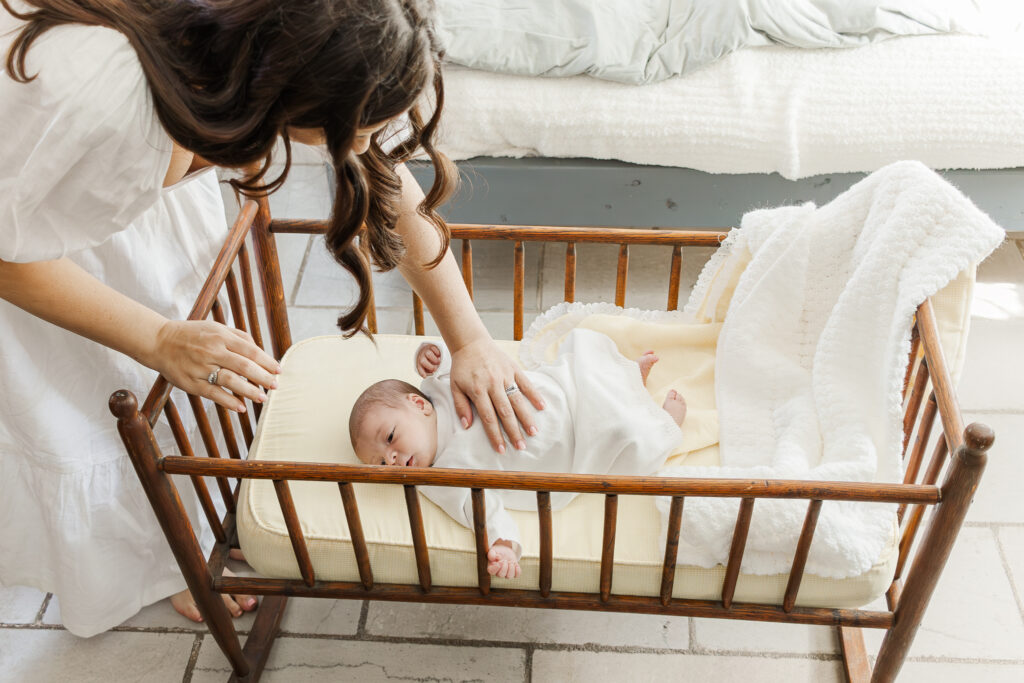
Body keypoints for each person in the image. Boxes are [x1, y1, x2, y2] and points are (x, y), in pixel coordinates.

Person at [0, 0, 542, 637]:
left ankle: (181, 536)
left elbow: (385, 181)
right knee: (97, 396)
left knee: (184, 381)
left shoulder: (289, 39)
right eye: (357, 128)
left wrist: (470, 337)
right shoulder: (99, 96)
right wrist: (157, 338)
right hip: (34, 232)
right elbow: (9, 253)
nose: (365, 146)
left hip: (126, 188)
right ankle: (150, 562)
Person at [349, 328, 687, 579]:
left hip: (551, 395)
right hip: (564, 444)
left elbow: (462, 352)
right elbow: (479, 508)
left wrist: (430, 352)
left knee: (585, 372)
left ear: (419, 405)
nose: (391, 458)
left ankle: (628, 374)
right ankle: (664, 424)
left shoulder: (440, 387)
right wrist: (503, 544)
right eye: (379, 462)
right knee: (622, 438)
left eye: (390, 438)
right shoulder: (441, 477)